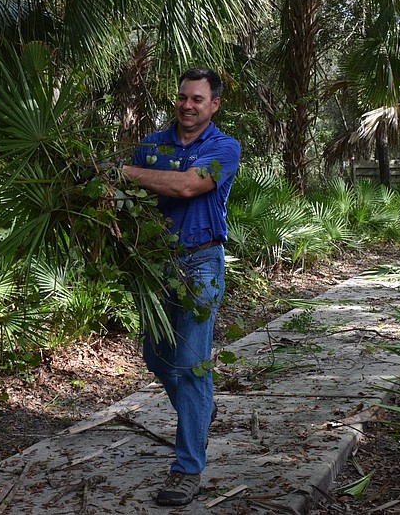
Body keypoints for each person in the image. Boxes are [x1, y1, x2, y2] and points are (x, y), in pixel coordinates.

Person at [121, 67, 240, 506]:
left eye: (197, 99)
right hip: (155, 265)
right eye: (182, 97)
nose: (187, 106)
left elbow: (190, 185)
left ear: (214, 104)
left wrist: (127, 172)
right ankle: (201, 410)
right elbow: (131, 205)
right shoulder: (151, 146)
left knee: (191, 365)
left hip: (201, 262)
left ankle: (187, 468)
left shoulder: (224, 148)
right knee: (156, 357)